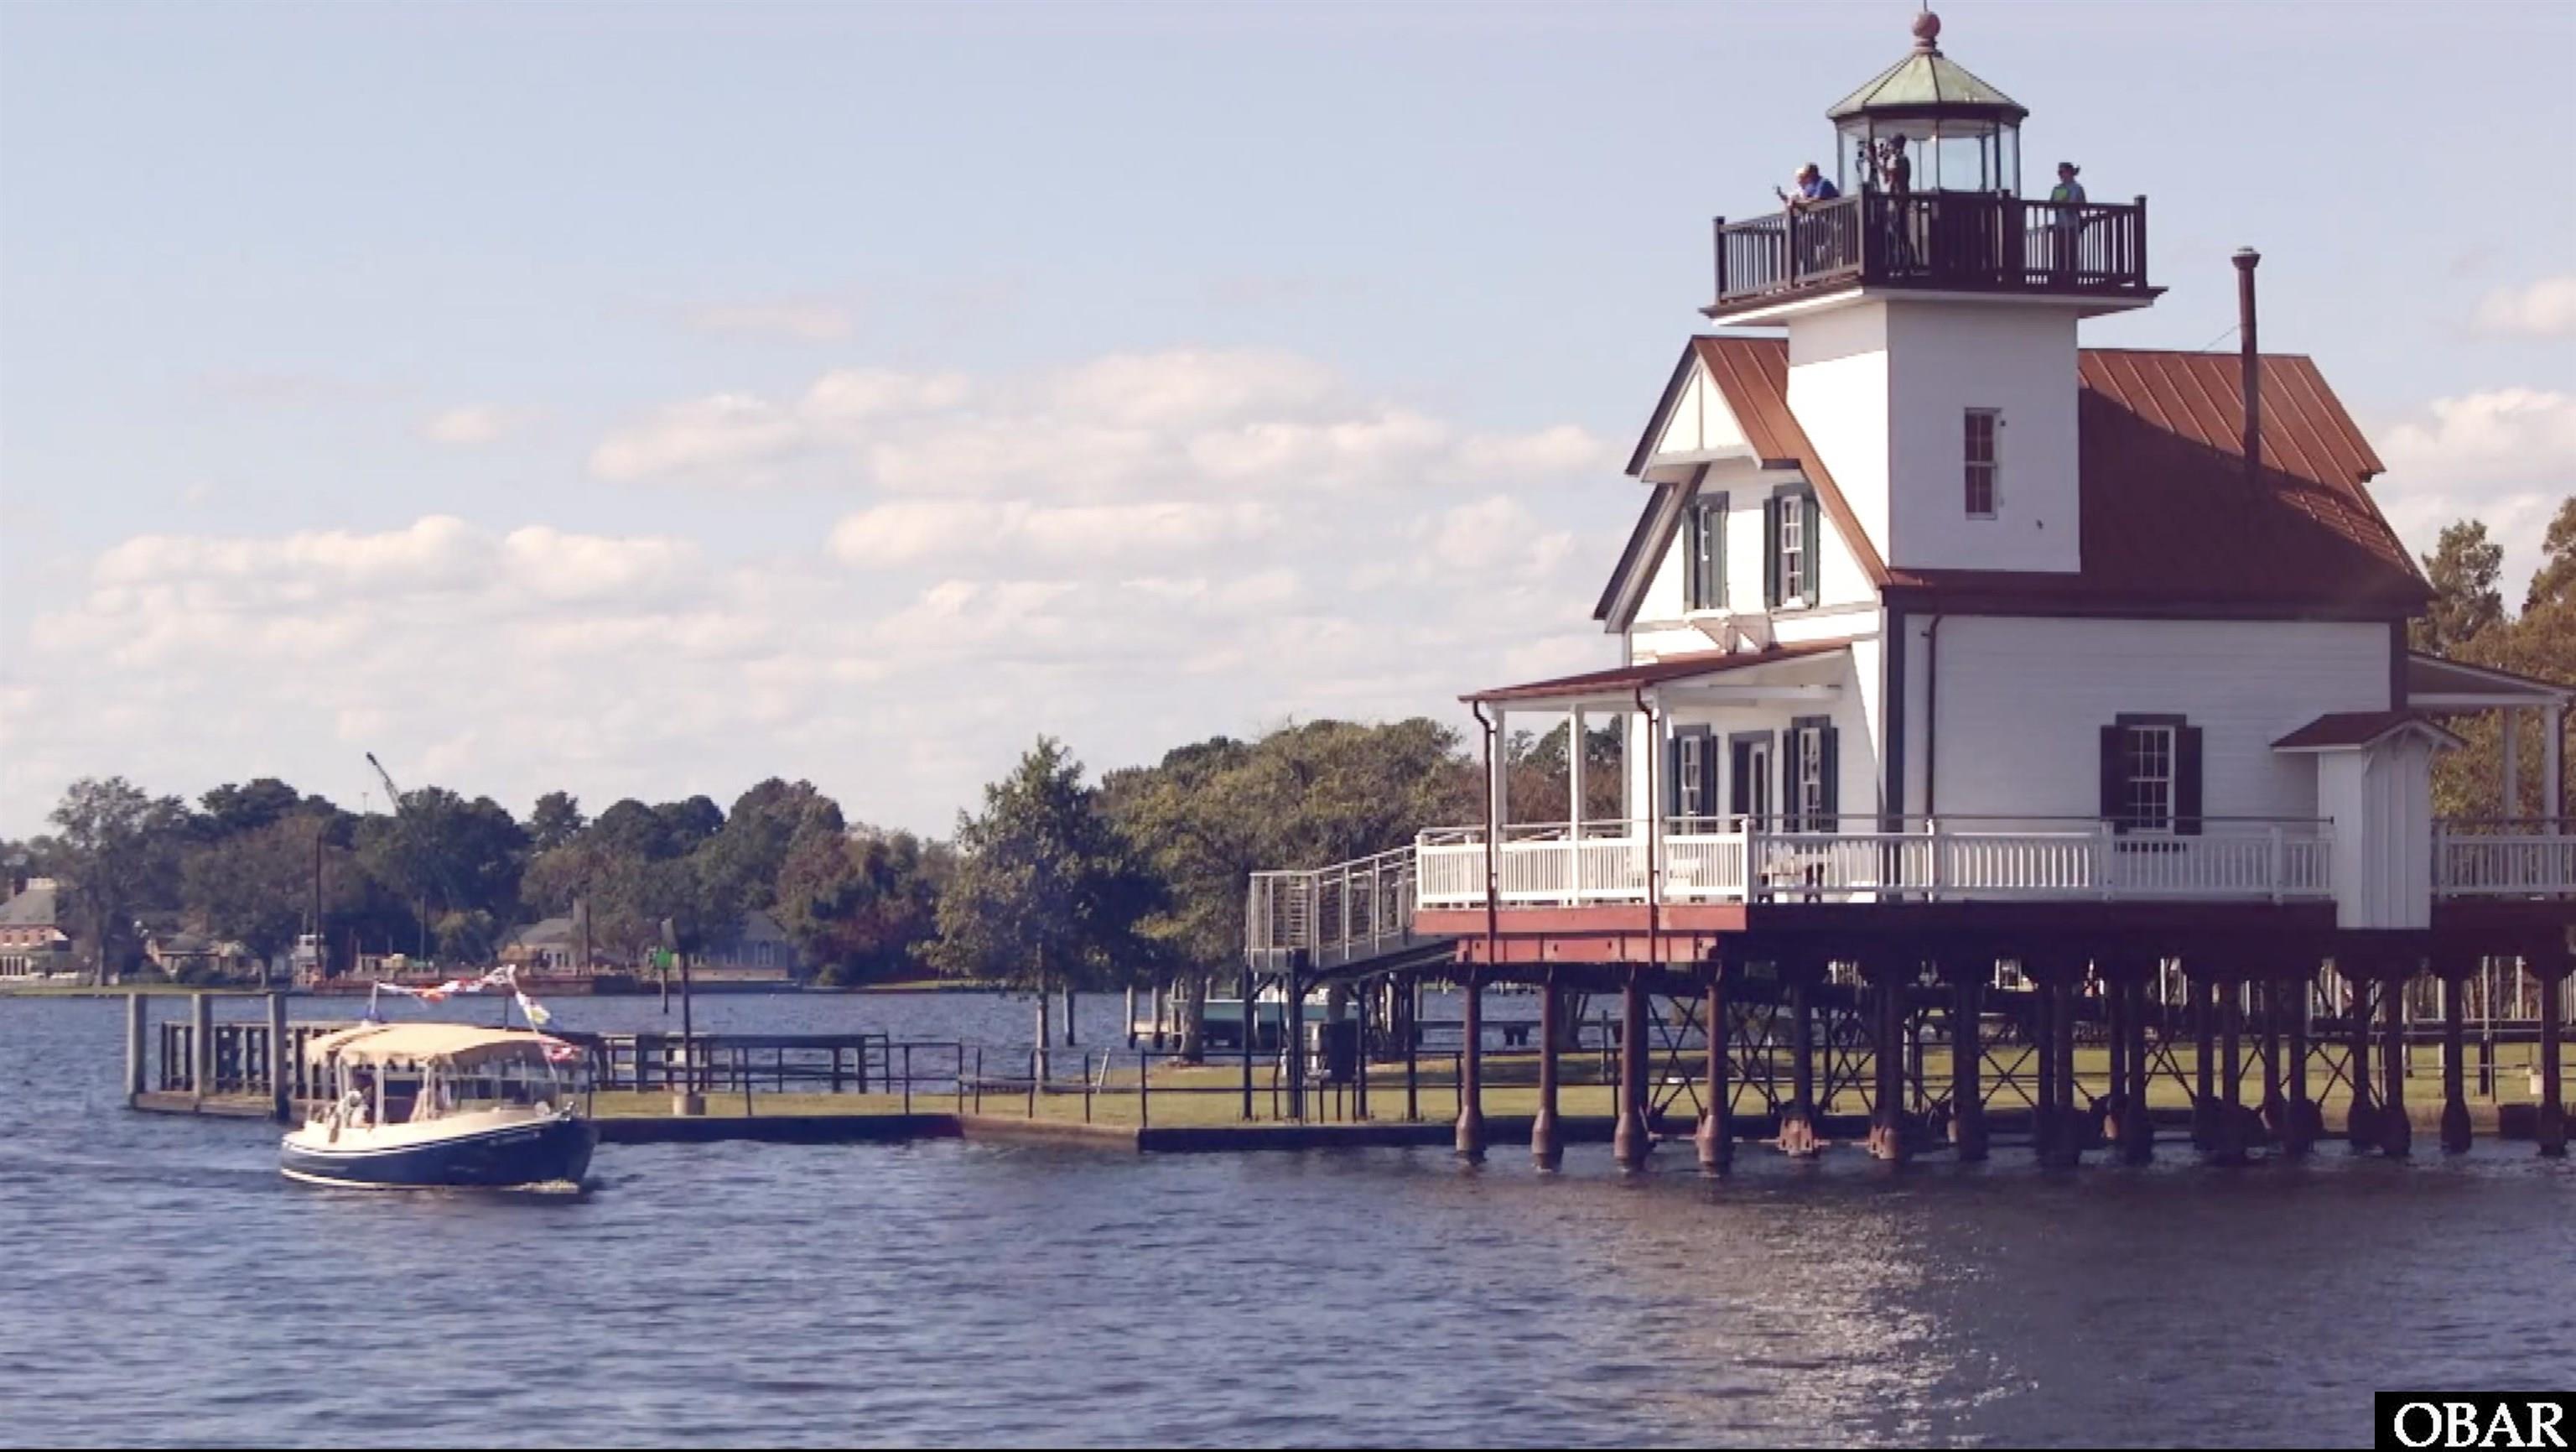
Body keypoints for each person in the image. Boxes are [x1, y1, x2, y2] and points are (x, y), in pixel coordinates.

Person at [2048, 161, 2088, 276]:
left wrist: (2072, 206)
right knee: (2059, 252)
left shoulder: (2077, 188)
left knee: (2072, 252)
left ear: (2069, 173)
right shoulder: (2058, 188)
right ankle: (2060, 276)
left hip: (2072, 224)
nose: (2060, 175)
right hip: (2060, 224)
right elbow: (2052, 205)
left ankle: (2072, 276)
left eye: (2062, 172)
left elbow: (2083, 205)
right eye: (2059, 172)